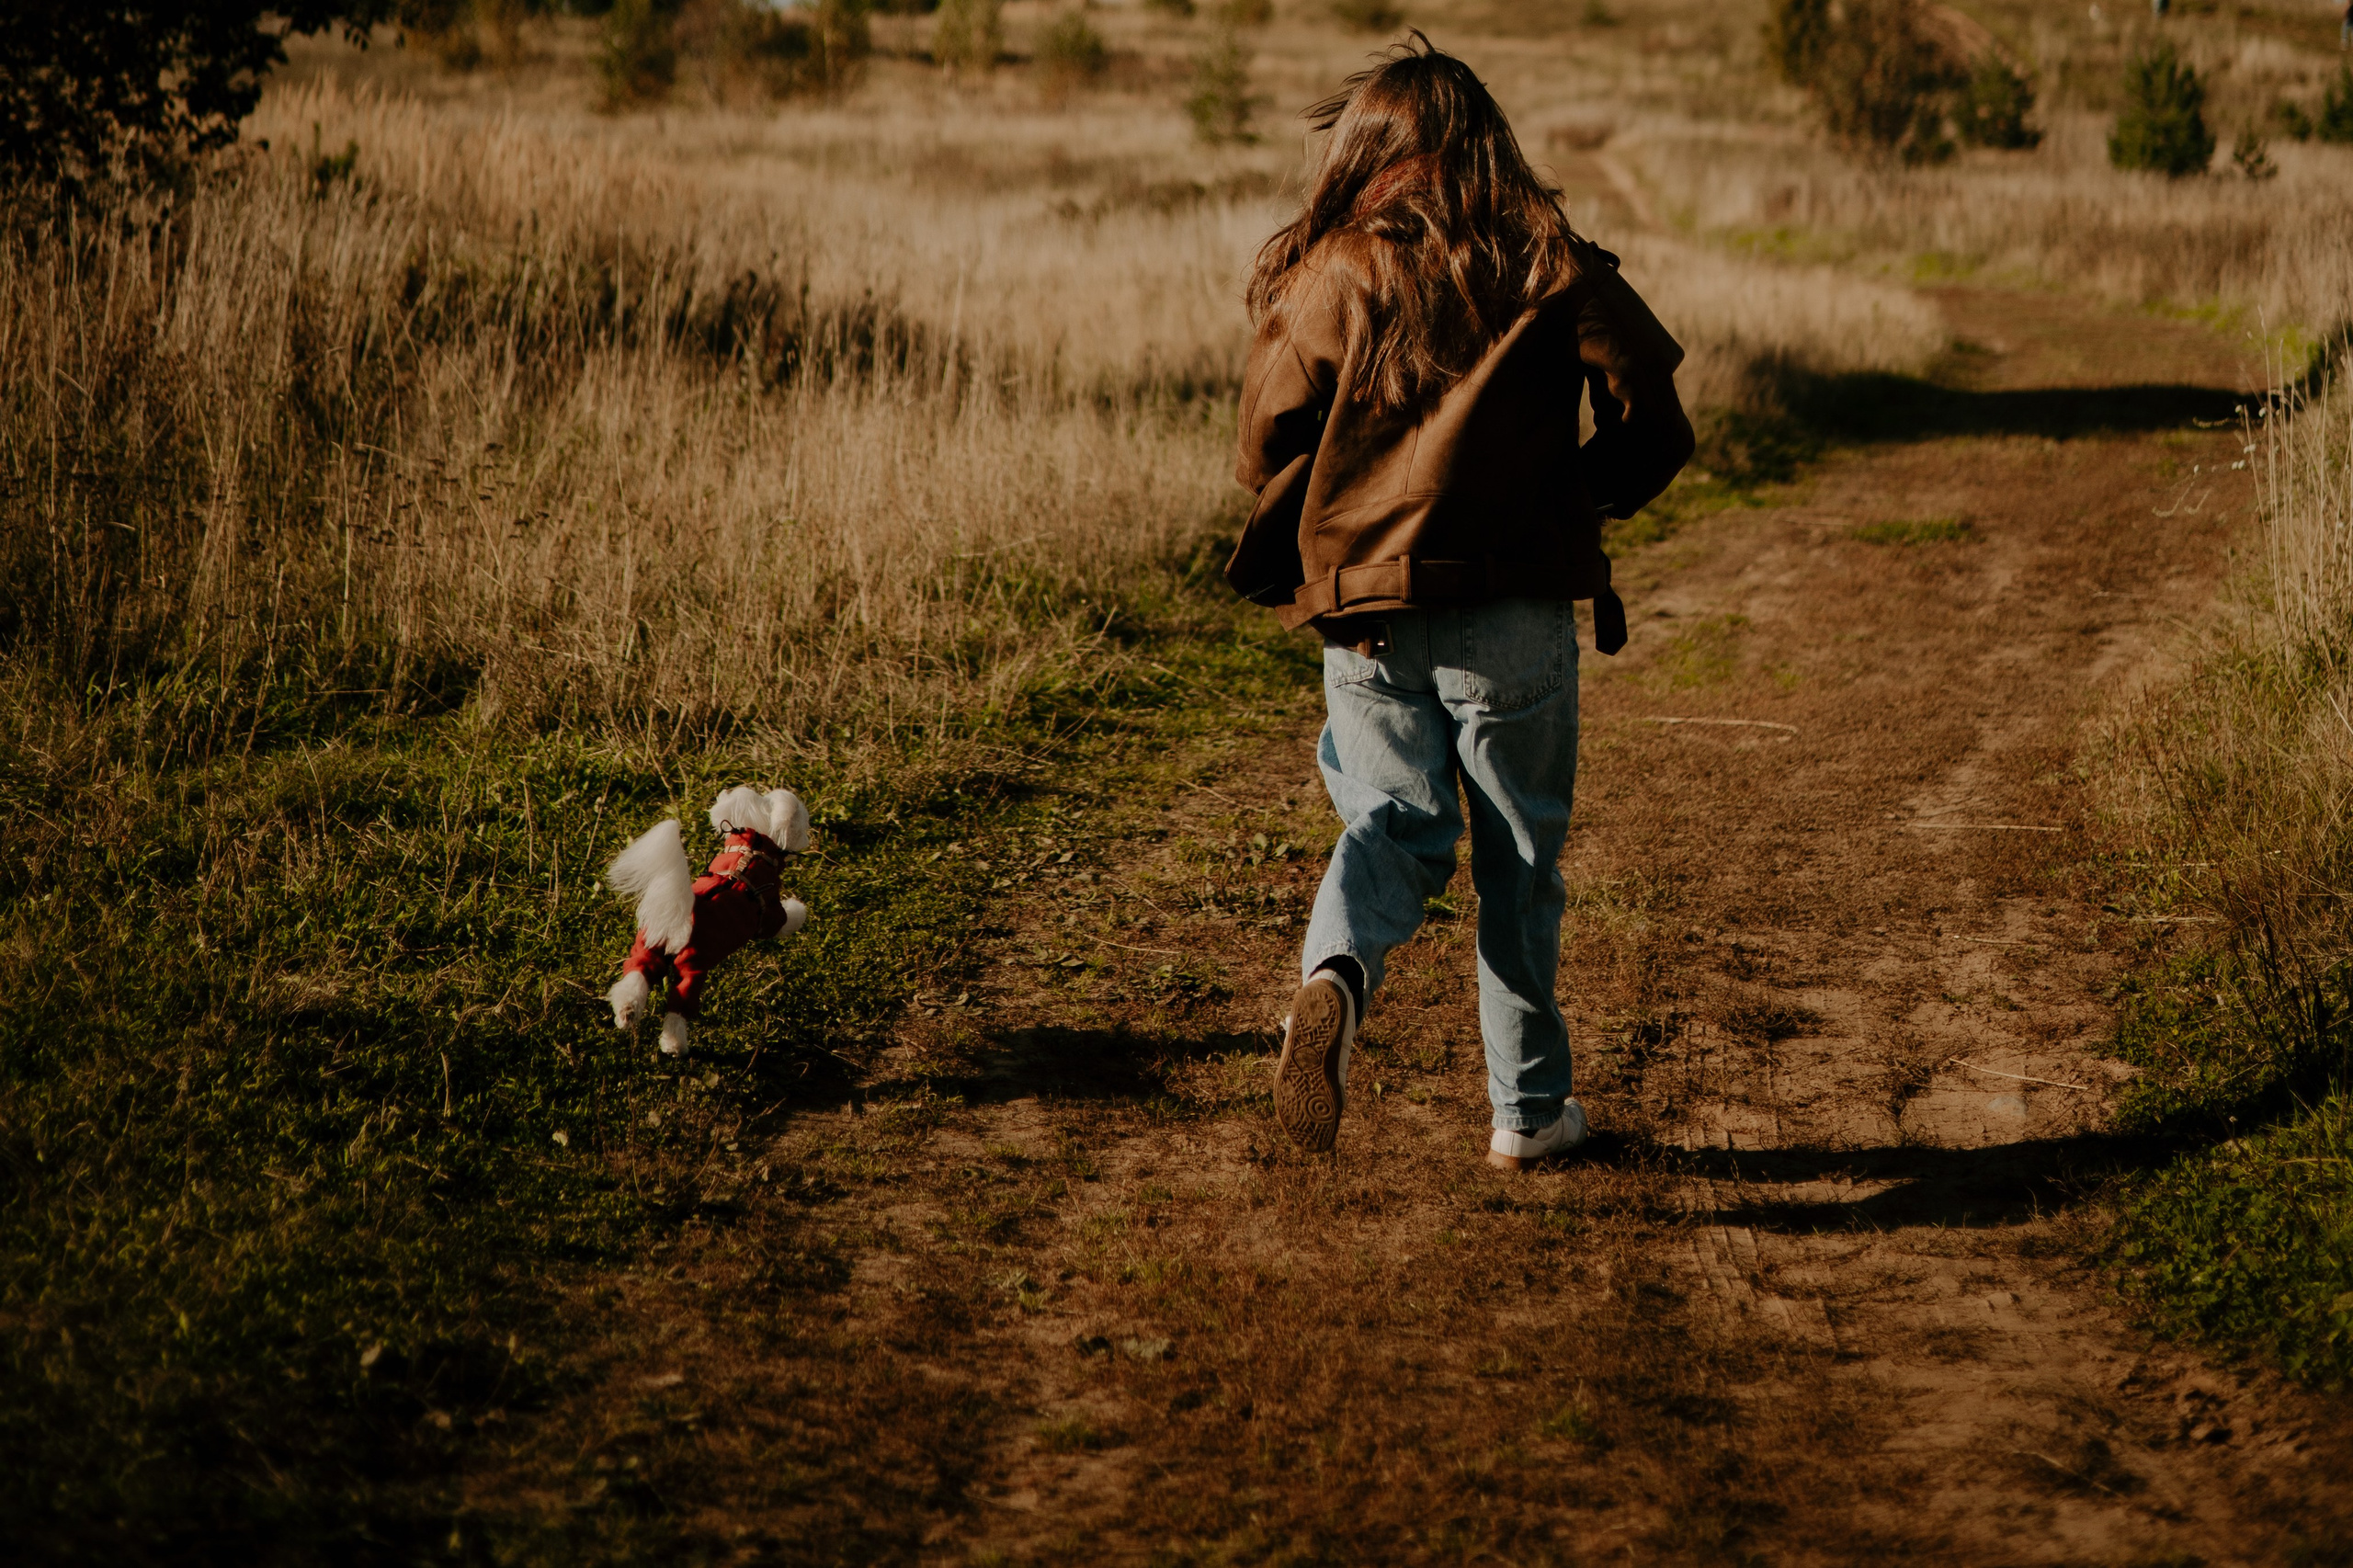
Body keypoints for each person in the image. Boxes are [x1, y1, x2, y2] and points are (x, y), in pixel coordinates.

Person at [1229, 35, 1692, 1171]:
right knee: (1518, 867)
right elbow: (1656, 415)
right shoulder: (1548, 258)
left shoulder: (1333, 269)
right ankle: (1529, 1113)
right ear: (1486, 147)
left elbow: (1260, 447)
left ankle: (1332, 975)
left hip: (1365, 613)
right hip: (1515, 612)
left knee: (1389, 820)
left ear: (1369, 151)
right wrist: (1575, 498)